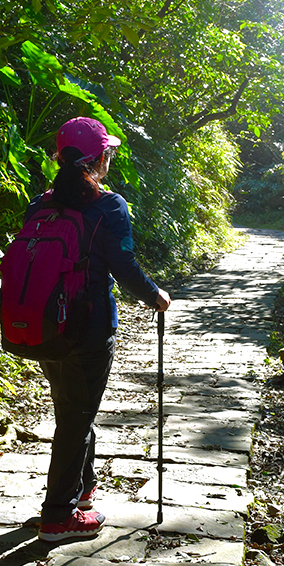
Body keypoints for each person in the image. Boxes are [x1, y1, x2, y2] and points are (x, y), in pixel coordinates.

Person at [31, 116, 171, 543]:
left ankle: (82, 490)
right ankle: (58, 516)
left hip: (42, 323)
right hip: (88, 327)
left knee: (73, 408)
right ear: (99, 158)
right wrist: (155, 296)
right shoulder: (108, 205)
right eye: (108, 151)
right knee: (75, 416)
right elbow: (123, 264)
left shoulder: (41, 203)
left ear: (60, 157)